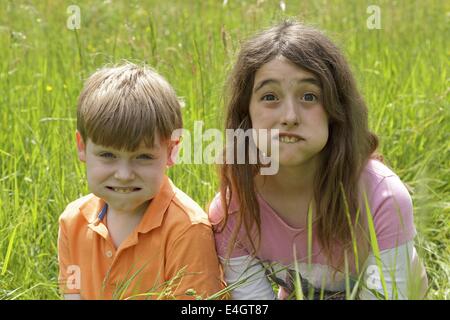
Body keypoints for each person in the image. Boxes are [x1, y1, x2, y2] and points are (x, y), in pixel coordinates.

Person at [208, 21, 428, 300]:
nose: (289, 116)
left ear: (335, 110)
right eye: (270, 96)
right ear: (246, 114)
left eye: (309, 96)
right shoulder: (234, 211)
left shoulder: (381, 198)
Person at [58, 63, 225, 300]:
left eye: (143, 157)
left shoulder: (187, 231)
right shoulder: (72, 222)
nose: (124, 174)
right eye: (108, 155)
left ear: (171, 151)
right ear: (82, 147)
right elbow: (72, 294)